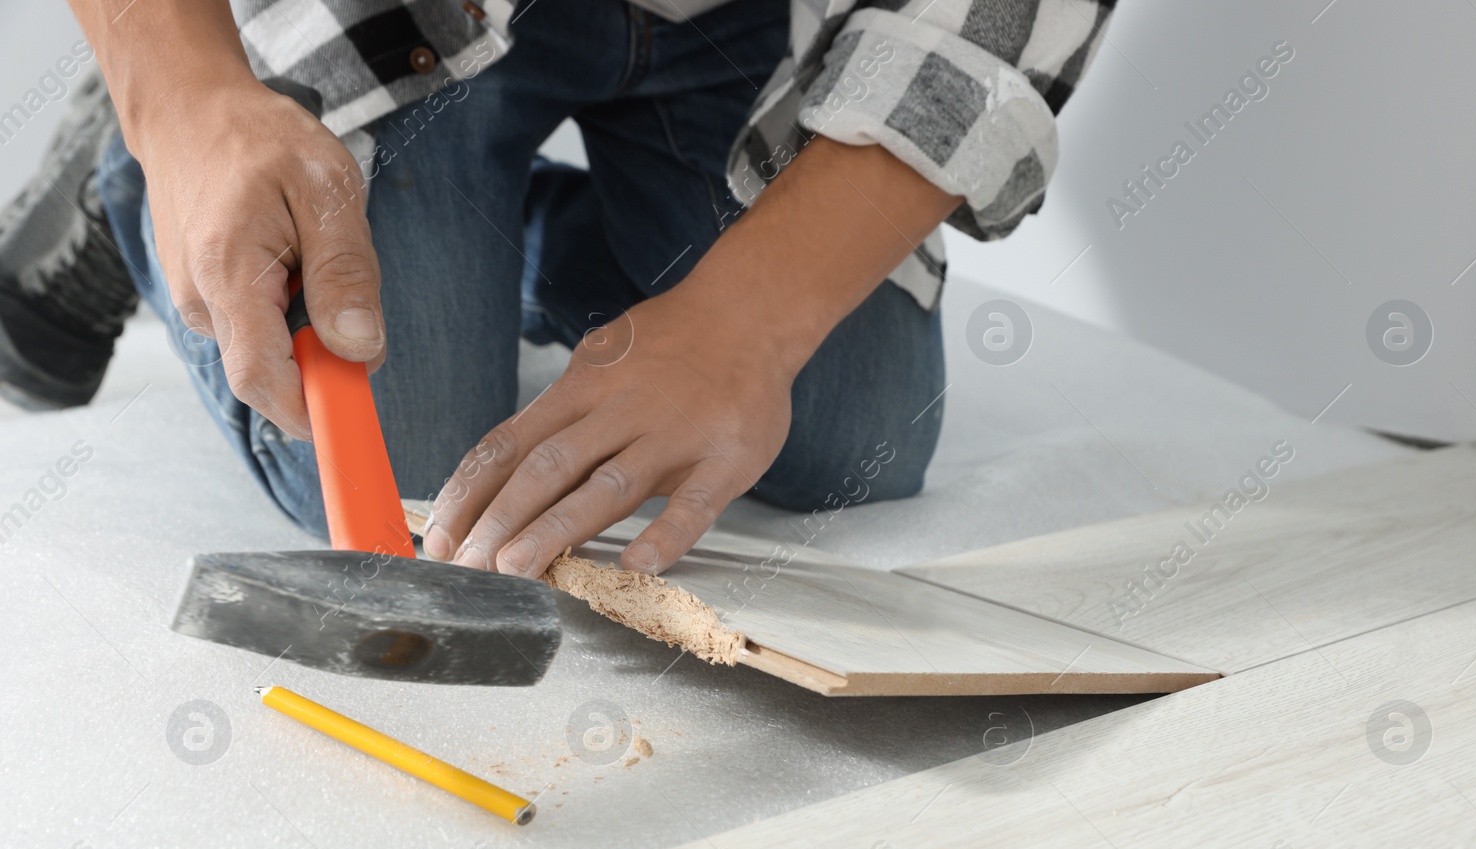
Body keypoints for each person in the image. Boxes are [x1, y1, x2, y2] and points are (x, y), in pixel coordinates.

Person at [6, 0, 1112, 577]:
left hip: (768, 17)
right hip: (410, 10)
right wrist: (185, 100)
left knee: (851, 433)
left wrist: (746, 324)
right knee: (416, 470)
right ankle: (143, 153)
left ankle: (492, 233)